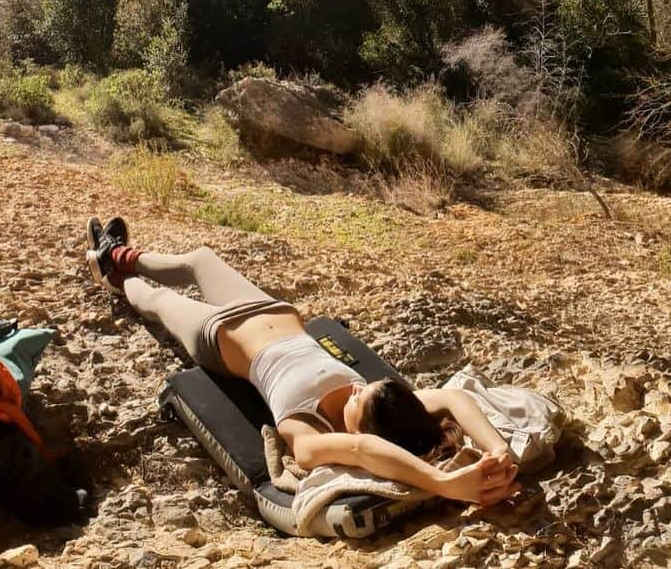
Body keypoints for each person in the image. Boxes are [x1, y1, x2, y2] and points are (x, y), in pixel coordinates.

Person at [86, 217, 519, 508]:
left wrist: (443, 484)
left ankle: (112, 277)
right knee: (199, 259)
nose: (354, 387)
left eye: (357, 399)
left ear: (359, 427)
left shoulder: (311, 431)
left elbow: (362, 450)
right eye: (363, 385)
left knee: (159, 300)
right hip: (268, 308)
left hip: (218, 336)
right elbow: (452, 397)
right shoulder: (388, 406)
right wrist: (498, 449)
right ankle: (118, 254)